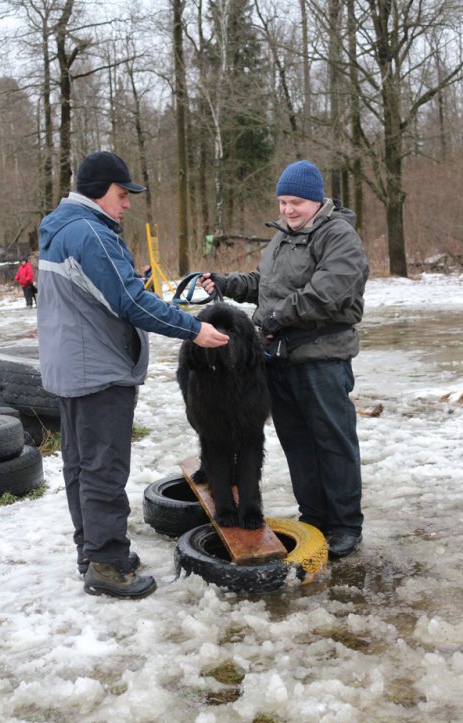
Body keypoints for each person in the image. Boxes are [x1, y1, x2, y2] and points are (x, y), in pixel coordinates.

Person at [37, 151, 229, 599]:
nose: (126, 205)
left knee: (81, 465)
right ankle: (106, 564)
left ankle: (94, 549)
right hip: (98, 369)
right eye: (121, 195)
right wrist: (195, 329)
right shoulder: (91, 233)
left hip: (72, 368)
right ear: (97, 191)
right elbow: (132, 303)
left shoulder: (60, 227)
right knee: (103, 467)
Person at [199, 160, 369, 558]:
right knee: (296, 442)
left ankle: (345, 524)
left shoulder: (339, 236)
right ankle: (314, 515)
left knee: (332, 442)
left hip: (321, 359)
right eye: (282, 202)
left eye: (296, 202)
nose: (288, 210)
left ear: (317, 200)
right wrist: (228, 283)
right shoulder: (281, 238)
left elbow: (327, 291)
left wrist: (277, 317)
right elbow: (266, 286)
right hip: (277, 360)